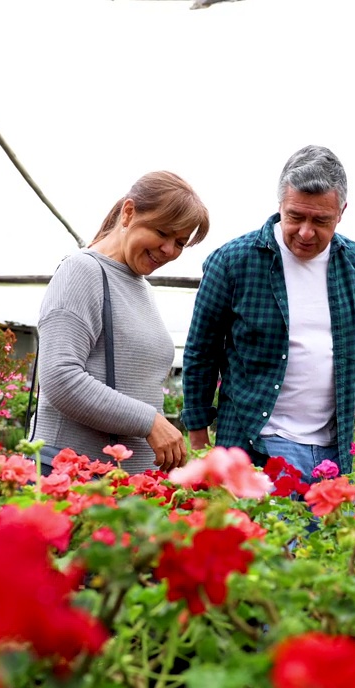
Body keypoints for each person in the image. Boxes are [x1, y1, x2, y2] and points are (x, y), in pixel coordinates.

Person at [181, 145, 355, 479]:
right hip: (255, 447)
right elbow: (201, 352)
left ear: (342, 211)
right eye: (295, 216)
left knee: (330, 533)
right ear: (280, 205)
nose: (306, 232)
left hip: (334, 452)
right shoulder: (234, 261)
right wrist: (202, 446)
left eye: (321, 220)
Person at [33, 171, 209, 475]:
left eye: (180, 242)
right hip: (76, 482)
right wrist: (150, 421)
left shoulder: (141, 287)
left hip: (122, 487)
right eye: (162, 232)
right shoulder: (82, 271)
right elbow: (59, 377)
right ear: (129, 212)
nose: (170, 250)